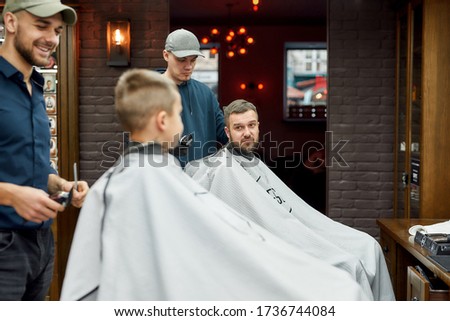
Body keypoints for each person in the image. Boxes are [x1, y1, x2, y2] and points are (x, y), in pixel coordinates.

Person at [61, 69, 368, 301]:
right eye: (180, 115)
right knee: (341, 291)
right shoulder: (159, 180)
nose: (184, 124)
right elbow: (224, 238)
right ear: (163, 120)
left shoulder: (115, 179)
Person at [185, 99, 396, 301]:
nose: (247, 133)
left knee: (369, 246)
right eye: (239, 128)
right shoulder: (223, 169)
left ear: (259, 126)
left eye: (251, 125)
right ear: (227, 132)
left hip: (295, 229)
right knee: (349, 265)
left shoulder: (254, 162)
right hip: (276, 243)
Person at [0, 0, 89, 300]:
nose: (52, 38)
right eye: (41, 26)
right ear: (11, 23)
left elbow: (30, 166)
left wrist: (62, 184)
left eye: (57, 30)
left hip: (41, 244)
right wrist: (12, 195)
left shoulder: (35, 87)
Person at [162, 28, 228, 165]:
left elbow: (225, 133)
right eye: (181, 60)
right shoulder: (149, 92)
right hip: (166, 179)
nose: (188, 66)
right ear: (166, 55)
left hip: (203, 179)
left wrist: (243, 127)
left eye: (193, 60)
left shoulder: (206, 93)